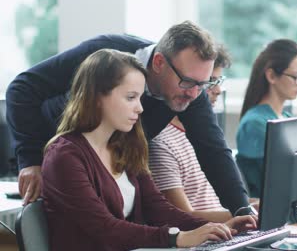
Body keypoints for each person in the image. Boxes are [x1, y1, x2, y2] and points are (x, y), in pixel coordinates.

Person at [6, 21, 253, 216]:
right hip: (61, 160)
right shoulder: (105, 55)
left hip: (109, 171)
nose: (194, 93)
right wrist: (29, 158)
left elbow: (214, 152)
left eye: (204, 83)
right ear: (158, 63)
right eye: (188, 82)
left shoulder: (191, 88)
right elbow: (22, 88)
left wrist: (243, 212)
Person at [41, 49, 256, 251]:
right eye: (130, 97)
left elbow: (158, 208)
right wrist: (177, 237)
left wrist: (220, 228)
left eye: (140, 98)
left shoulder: (125, 145)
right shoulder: (64, 156)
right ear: (97, 97)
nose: (140, 108)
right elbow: (104, 228)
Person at [149, 44, 232, 222]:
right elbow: (182, 217)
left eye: (216, 82)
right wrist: (245, 215)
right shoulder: (161, 141)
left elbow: (220, 204)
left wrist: (251, 208)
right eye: (209, 82)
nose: (217, 90)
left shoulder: (207, 140)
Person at [235, 39, 297, 198]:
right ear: (272, 76)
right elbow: (289, 180)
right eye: (296, 77)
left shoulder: (285, 117)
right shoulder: (255, 124)